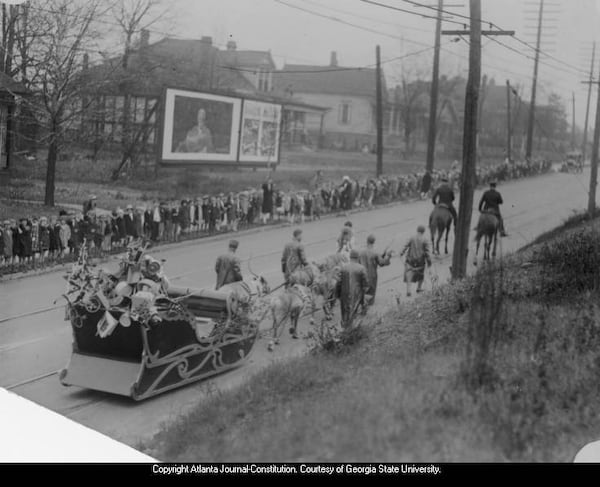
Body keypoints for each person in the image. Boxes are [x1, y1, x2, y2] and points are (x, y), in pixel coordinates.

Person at [337, 249, 369, 329]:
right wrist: (363, 297)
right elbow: (366, 284)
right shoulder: (361, 268)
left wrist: (338, 295)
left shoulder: (343, 268)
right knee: (354, 313)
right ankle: (353, 331)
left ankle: (345, 329)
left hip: (344, 295)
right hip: (357, 294)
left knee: (345, 313)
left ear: (350, 257)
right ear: (358, 257)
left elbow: (338, 283)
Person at [358, 234, 392, 306]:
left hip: (361, 276)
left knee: (362, 292)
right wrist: (388, 256)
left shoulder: (360, 252)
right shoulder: (375, 253)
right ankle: (368, 308)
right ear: (374, 242)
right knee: (370, 296)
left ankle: (362, 305)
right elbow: (382, 263)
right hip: (372, 276)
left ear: (367, 241)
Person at [400, 225, 432, 297]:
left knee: (409, 274)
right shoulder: (425, 240)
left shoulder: (412, 237)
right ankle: (419, 288)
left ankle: (408, 291)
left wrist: (401, 253)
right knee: (421, 274)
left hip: (410, 260)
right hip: (420, 261)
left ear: (417, 230)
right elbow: (427, 252)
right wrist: (429, 262)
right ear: (423, 231)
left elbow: (405, 246)